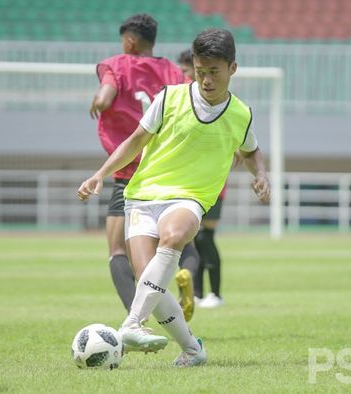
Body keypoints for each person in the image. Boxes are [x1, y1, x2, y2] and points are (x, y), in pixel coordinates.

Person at [78, 28, 270, 367]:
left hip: (190, 199)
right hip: (141, 196)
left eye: (214, 72)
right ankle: (193, 349)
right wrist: (100, 174)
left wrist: (261, 176)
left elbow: (252, 151)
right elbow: (135, 141)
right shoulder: (169, 98)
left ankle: (131, 324)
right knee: (150, 280)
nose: (206, 79)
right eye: (200, 71)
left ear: (232, 69)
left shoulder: (241, 114)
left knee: (175, 236)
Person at [89, 14, 199, 321]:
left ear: (130, 41)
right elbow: (195, 102)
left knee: (118, 250)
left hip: (130, 172)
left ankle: (136, 317)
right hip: (168, 171)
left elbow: (108, 92)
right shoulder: (172, 71)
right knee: (177, 236)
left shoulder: (115, 65)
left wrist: (100, 100)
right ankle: (188, 271)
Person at [178, 48, 241, 309]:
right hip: (188, 184)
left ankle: (215, 293)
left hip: (213, 187)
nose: (184, 76)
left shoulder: (222, 105)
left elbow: (238, 151)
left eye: (185, 71)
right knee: (190, 239)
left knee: (205, 238)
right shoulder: (183, 99)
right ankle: (199, 294)